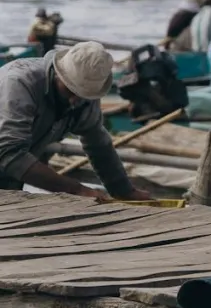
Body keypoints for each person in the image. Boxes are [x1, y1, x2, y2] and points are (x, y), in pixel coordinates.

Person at [0, 42, 150, 200]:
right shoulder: (19, 83)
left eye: (82, 94)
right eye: (70, 90)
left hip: (10, 181)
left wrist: (124, 191)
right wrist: (76, 189)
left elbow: (98, 144)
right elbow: (9, 153)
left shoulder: (86, 94)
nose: (74, 100)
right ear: (59, 73)